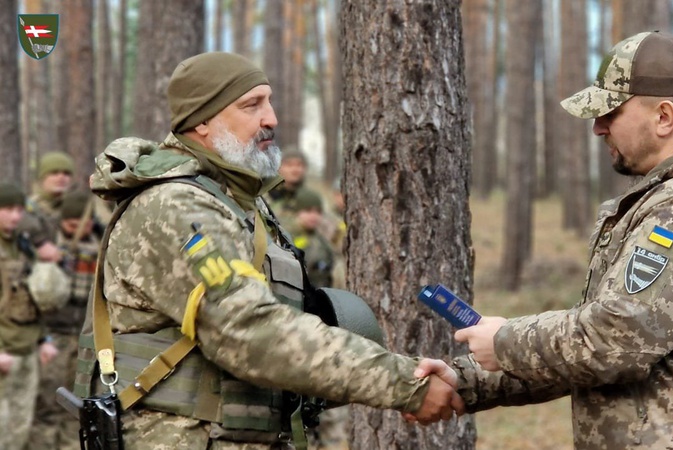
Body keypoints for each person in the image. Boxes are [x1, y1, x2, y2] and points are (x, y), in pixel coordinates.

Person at [415, 31, 673, 448]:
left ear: (664, 117)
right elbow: (593, 355)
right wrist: (469, 381)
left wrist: (505, 342)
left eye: (610, 113)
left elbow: (618, 338)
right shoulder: (668, 200)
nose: (598, 128)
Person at [75, 51, 463, 449]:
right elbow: (249, 330)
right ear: (203, 121)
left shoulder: (238, 200)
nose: (271, 118)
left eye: (269, 101)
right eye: (252, 105)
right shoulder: (175, 207)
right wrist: (403, 383)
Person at [28, 191, 98, 450]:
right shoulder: (46, 248)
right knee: (47, 405)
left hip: (85, 340)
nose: (81, 227)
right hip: (54, 337)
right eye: (72, 223)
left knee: (78, 408)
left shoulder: (99, 244)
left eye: (85, 221)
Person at [0, 184, 59, 450]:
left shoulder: (23, 246)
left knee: (20, 428)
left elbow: (33, 296)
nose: (14, 216)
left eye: (18, 210)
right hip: (4, 351)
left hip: (27, 350)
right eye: (7, 209)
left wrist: (43, 338)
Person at [20, 151, 76, 262]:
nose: (61, 177)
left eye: (66, 173)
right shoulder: (28, 206)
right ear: (42, 177)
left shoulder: (75, 206)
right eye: (54, 173)